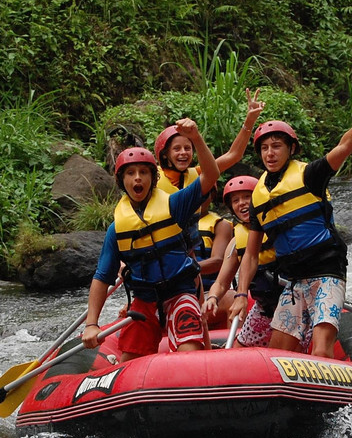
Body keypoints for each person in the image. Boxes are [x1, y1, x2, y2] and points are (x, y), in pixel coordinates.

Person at [229, 74, 352, 359]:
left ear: (291, 149)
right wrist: (240, 294)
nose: (270, 153)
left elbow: (344, 147)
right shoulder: (259, 196)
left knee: (321, 349)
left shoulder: (311, 175)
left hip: (327, 273)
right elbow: (250, 255)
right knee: (277, 355)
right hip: (294, 281)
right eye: (264, 147)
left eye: (277, 146)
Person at [82, 119, 219, 362]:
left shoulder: (175, 205)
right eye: (131, 173)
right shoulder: (116, 230)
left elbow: (210, 176)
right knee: (128, 364)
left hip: (181, 293)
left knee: (191, 358)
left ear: (153, 178)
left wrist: (196, 138)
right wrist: (92, 323)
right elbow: (102, 277)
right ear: (122, 181)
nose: (138, 179)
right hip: (144, 302)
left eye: (144, 172)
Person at [203, 175, 312, 349]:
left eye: (247, 197)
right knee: (237, 355)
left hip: (293, 305)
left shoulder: (279, 229)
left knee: (282, 356)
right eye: (236, 200)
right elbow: (221, 282)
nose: (242, 203)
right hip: (264, 309)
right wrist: (213, 298)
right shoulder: (236, 241)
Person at [154, 88, 264, 193]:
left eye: (187, 148)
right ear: (165, 154)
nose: (183, 152)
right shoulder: (151, 176)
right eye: (176, 149)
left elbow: (234, 155)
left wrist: (249, 121)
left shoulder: (200, 173)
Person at [194, 185, 234, 327]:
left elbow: (218, 261)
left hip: (209, 293)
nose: (199, 199)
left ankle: (233, 344)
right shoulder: (171, 224)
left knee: (232, 297)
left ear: (211, 196)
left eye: (204, 194)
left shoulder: (220, 225)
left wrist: (185, 269)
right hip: (179, 294)